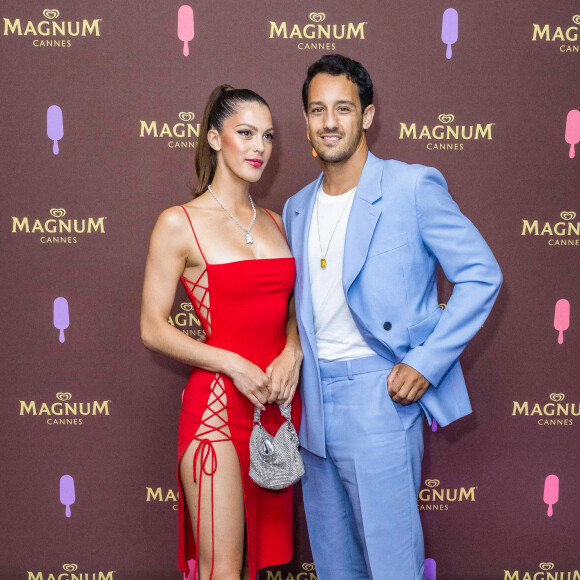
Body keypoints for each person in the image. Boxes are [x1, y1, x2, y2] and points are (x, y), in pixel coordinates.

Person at [282, 55, 502, 580]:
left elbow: (481, 274)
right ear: (306, 121)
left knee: (393, 566)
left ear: (368, 115)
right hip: (311, 408)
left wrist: (427, 362)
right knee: (335, 566)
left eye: (342, 108)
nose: (329, 121)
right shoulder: (295, 207)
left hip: (379, 401)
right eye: (317, 110)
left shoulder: (412, 187)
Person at [140, 85, 303, 580]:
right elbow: (152, 328)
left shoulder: (276, 221)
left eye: (268, 137)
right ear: (214, 138)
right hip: (216, 409)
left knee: (261, 563)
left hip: (275, 406)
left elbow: (290, 308)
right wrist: (230, 362)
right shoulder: (178, 223)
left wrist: (293, 350)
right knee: (221, 570)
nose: (259, 148)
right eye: (246, 134)